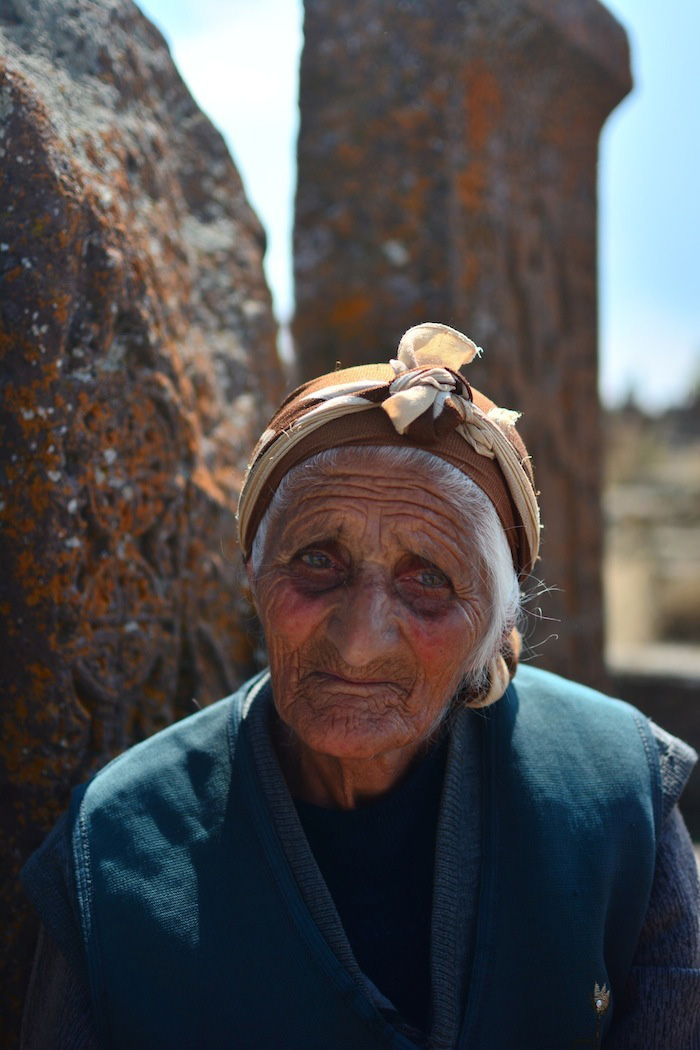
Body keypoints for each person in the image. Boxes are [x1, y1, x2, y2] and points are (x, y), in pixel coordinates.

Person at [21, 323, 700, 1049]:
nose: (359, 637)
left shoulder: (620, 795)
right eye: (317, 560)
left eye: (429, 579)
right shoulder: (117, 847)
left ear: (498, 619)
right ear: (252, 570)